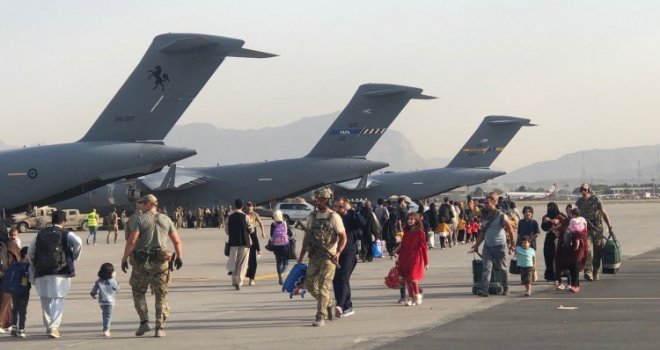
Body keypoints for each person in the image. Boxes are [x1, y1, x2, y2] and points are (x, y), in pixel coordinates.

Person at [121, 194, 183, 337]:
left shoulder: (138, 219)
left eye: (142, 203)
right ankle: (160, 328)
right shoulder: (166, 219)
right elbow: (177, 241)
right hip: (161, 263)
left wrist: (124, 258)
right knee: (161, 295)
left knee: (138, 291)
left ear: (149, 203)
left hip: (141, 263)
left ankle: (144, 322)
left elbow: (132, 240)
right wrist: (179, 257)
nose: (140, 206)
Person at [28, 210, 82, 338]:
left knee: (45, 300)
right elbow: (78, 242)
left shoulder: (40, 234)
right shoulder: (65, 233)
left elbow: (30, 252)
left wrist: (35, 265)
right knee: (58, 299)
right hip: (60, 272)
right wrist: (74, 256)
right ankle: (54, 327)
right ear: (63, 221)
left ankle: (48, 327)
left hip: (41, 272)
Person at [297, 188, 347, 327]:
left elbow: (343, 237)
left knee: (323, 286)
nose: (319, 202)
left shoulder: (334, 217)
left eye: (322, 199)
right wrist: (301, 256)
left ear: (328, 201)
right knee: (309, 285)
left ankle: (320, 316)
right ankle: (329, 302)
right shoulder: (312, 217)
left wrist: (338, 253)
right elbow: (307, 238)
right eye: (317, 199)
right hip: (314, 255)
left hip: (329, 257)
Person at [470, 193, 515, 297]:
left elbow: (511, 230)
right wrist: (476, 245)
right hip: (487, 246)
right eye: (484, 203)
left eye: (487, 203)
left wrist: (512, 245)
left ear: (494, 203)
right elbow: (482, 233)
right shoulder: (484, 216)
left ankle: (506, 288)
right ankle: (484, 290)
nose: (485, 205)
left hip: (500, 246)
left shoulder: (501, 216)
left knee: (503, 268)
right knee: (487, 268)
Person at [576, 183, 614, 281]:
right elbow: (575, 216)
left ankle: (595, 271)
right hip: (585, 229)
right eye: (582, 190)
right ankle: (588, 271)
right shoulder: (579, 202)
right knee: (586, 250)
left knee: (598, 252)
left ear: (589, 190)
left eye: (585, 189)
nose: (583, 191)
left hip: (597, 228)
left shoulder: (596, 200)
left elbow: (604, 213)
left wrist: (610, 226)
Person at [332, 196, 361, 318]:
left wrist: (352, 210)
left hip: (349, 252)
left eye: (341, 206)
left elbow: (362, 223)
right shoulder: (333, 217)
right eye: (336, 206)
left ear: (346, 205)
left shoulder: (351, 216)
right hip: (335, 252)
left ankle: (340, 305)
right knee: (336, 280)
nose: (338, 209)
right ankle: (347, 306)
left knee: (343, 278)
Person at [394, 212, 429, 306]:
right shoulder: (406, 232)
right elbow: (403, 245)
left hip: (416, 258)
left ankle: (417, 295)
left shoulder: (420, 232)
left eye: (412, 219)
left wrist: (426, 261)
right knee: (407, 279)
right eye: (408, 219)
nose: (409, 221)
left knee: (413, 278)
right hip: (405, 257)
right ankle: (410, 297)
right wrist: (398, 256)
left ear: (416, 220)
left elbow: (424, 247)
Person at [555, 205, 589, 293]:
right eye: (568, 211)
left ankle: (575, 285)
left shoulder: (581, 220)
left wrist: (576, 234)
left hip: (579, 246)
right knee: (570, 265)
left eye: (571, 211)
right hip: (568, 247)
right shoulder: (566, 221)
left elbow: (585, 231)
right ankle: (571, 284)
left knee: (575, 264)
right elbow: (561, 232)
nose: (569, 213)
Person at [225, 199, 251, 290]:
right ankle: (239, 282)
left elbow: (227, 231)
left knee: (233, 261)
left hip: (233, 242)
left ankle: (234, 279)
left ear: (234, 206)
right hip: (244, 242)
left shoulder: (229, 217)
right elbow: (250, 228)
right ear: (242, 206)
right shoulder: (246, 217)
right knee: (242, 263)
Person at [4, 247, 30, 338]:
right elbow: (28, 279)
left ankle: (14, 327)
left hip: (14, 290)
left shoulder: (15, 264)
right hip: (24, 291)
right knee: (22, 310)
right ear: (26, 255)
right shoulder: (27, 266)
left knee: (15, 308)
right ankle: (21, 329)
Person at [0, 226, 21, 334]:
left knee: (5, 300)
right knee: (6, 299)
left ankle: (7, 323)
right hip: (9, 275)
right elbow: (19, 258)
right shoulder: (11, 244)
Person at [90, 262, 120, 337]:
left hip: (101, 302)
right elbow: (117, 289)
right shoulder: (112, 281)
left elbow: (94, 289)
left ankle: (105, 327)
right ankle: (106, 329)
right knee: (108, 315)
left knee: (105, 314)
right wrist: (117, 283)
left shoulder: (99, 280)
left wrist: (93, 294)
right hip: (110, 302)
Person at [540, 202, 566, 282]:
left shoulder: (561, 216)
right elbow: (543, 227)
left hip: (559, 238)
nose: (550, 209)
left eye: (552, 207)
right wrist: (550, 223)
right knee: (548, 256)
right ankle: (550, 275)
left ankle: (560, 274)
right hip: (549, 239)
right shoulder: (545, 217)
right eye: (549, 207)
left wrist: (557, 225)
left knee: (559, 257)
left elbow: (565, 224)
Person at [244, 202, 265, 286]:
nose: (249, 208)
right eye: (248, 206)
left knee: (253, 260)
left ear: (253, 207)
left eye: (250, 206)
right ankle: (245, 274)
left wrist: (263, 232)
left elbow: (260, 223)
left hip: (253, 235)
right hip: (245, 236)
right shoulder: (243, 214)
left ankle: (251, 278)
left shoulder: (255, 214)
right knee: (245, 259)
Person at [269, 210, 292, 285]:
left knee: (278, 261)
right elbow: (290, 233)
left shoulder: (273, 224)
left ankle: (279, 275)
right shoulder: (285, 222)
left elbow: (271, 234)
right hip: (284, 244)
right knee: (286, 261)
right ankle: (282, 273)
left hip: (276, 245)